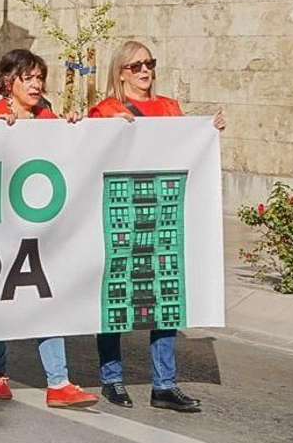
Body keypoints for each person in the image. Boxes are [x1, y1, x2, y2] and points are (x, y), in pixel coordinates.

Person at [88, 39, 224, 414]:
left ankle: (164, 384)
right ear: (120, 72)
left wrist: (208, 131)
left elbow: (183, 149)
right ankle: (112, 379)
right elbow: (89, 155)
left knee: (165, 301)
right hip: (120, 213)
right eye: (136, 66)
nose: (145, 70)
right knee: (115, 301)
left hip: (161, 212)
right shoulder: (105, 110)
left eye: (149, 63)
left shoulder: (169, 107)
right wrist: (105, 130)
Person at [0, 49, 98, 408]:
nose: (36, 85)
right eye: (28, 78)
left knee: (47, 299)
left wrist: (72, 128)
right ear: (9, 82)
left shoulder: (46, 115)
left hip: (41, 229)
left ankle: (59, 382)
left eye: (40, 78)